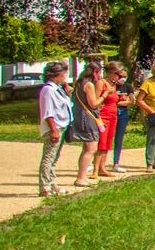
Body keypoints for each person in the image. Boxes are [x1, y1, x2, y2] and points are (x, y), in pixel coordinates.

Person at [37, 60, 72, 197]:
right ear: (55, 74)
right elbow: (48, 112)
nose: (65, 76)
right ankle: (44, 186)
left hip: (62, 126)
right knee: (48, 157)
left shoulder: (57, 89)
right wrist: (53, 130)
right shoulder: (48, 90)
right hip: (54, 128)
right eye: (63, 73)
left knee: (54, 158)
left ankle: (52, 183)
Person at [69, 61, 105, 188]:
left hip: (81, 116)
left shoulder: (79, 83)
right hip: (87, 118)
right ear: (95, 72)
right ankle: (81, 178)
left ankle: (81, 176)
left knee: (86, 149)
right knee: (91, 149)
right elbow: (93, 104)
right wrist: (104, 96)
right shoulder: (89, 85)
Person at [108, 63, 132, 172]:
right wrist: (120, 101)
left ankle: (116, 163)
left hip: (123, 113)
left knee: (119, 138)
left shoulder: (127, 86)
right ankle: (97, 162)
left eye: (124, 77)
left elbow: (131, 101)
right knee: (106, 137)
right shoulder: (110, 85)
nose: (122, 79)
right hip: (110, 112)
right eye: (120, 76)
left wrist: (121, 102)